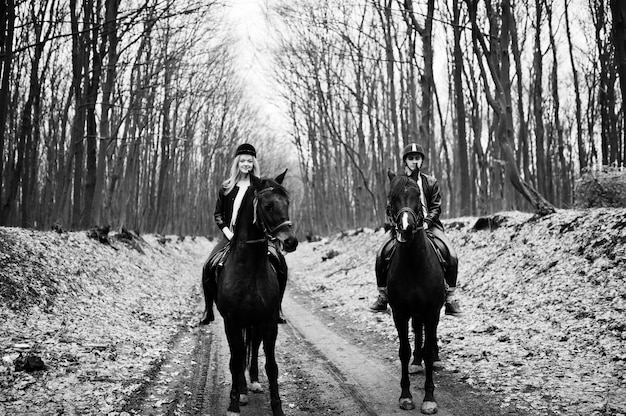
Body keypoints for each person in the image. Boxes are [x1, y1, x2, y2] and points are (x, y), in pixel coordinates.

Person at [369, 143, 463, 316]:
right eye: (411, 158)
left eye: (417, 158)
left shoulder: (431, 182)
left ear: (422, 161)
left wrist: (427, 221)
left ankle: (450, 299)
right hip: (401, 226)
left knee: (452, 254)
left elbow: (436, 206)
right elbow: (390, 208)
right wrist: (396, 224)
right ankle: (383, 296)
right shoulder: (398, 182)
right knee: (381, 253)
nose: (414, 162)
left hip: (430, 226)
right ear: (405, 161)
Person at [200, 143, 288, 325]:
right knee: (208, 266)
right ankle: (208, 309)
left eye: (250, 161)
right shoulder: (227, 187)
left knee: (280, 264)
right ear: (237, 163)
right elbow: (218, 214)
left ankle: (277, 307)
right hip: (230, 236)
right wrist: (228, 233)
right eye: (243, 161)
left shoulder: (260, 186)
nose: (246, 164)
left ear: (254, 163)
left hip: (258, 237)